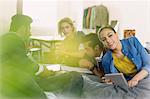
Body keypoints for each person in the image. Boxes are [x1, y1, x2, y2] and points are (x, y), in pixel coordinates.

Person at [0, 14, 83, 99]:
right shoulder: (12, 38)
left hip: (32, 80)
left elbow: (21, 62)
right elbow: (28, 65)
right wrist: (45, 70)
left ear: (72, 27)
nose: (30, 33)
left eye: (67, 27)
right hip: (34, 81)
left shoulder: (7, 39)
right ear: (23, 29)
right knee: (75, 76)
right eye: (29, 29)